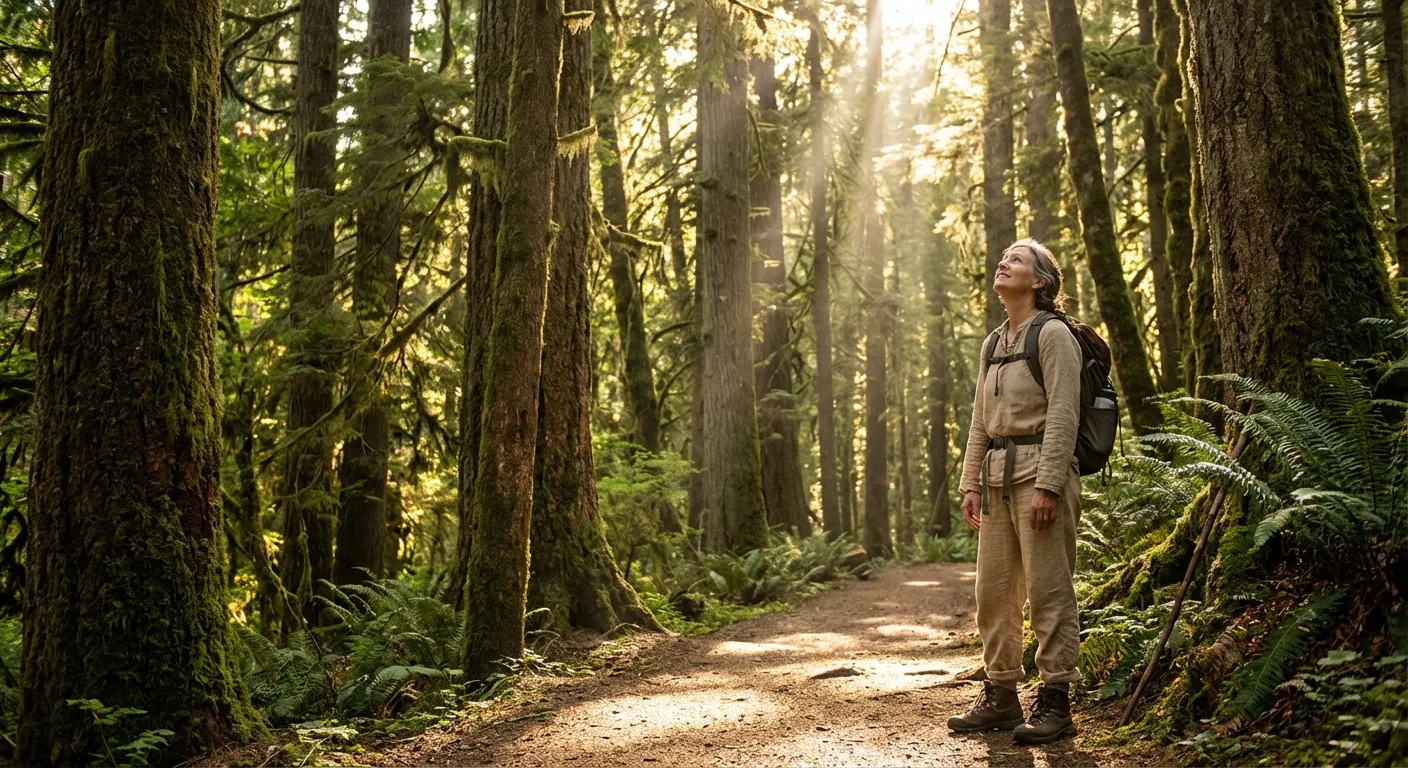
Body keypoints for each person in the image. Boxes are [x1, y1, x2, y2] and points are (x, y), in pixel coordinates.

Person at [947, 238, 1082, 745]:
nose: (1003, 262)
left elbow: (1065, 414)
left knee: (1048, 588)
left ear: (1040, 281)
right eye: (1002, 256)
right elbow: (981, 419)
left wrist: (1048, 485)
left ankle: (1056, 699)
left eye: (1017, 260)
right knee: (993, 593)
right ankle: (1001, 694)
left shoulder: (1053, 335)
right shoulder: (993, 342)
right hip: (997, 478)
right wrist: (970, 483)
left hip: (1039, 475)